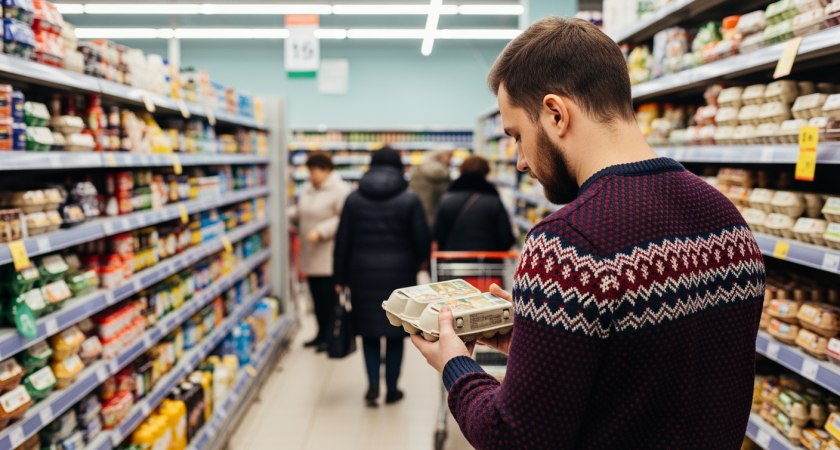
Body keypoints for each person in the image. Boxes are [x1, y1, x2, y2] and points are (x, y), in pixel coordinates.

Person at [412, 17, 764, 450]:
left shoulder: (568, 243)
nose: (520, 160)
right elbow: (658, 377)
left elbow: (513, 439)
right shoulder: (728, 220)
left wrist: (455, 366)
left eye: (517, 135)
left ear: (556, 113)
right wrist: (545, 341)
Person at [333, 147, 431, 407]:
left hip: (361, 273)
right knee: (397, 331)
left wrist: (339, 277)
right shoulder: (410, 199)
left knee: (369, 332)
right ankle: (393, 388)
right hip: (400, 273)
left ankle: (373, 385)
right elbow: (422, 240)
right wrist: (417, 263)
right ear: (400, 167)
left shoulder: (353, 198)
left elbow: (342, 240)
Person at [288, 152, 351, 352]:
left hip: (328, 253)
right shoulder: (308, 189)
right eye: (309, 171)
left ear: (326, 170)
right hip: (310, 252)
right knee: (315, 296)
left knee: (328, 299)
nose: (311, 175)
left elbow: (344, 219)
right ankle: (319, 333)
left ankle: (329, 336)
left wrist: (321, 230)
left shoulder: (340, 190)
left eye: (314, 171)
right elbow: (300, 211)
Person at [434, 155, 515, 252]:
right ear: (485, 174)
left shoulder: (447, 200)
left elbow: (439, 236)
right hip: (489, 263)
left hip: (453, 263)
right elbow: (506, 240)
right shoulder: (494, 201)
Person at [409, 149, 452, 227]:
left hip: (419, 216)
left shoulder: (418, 170)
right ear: (442, 157)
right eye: (449, 156)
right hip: (437, 218)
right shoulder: (443, 174)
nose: (451, 160)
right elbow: (445, 198)